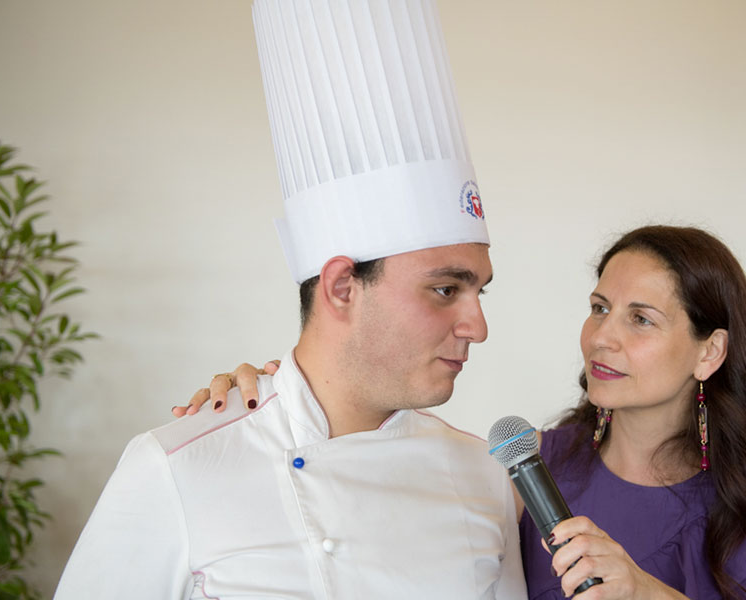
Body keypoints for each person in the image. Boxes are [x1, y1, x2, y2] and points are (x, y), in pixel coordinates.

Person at [55, 0, 527, 597]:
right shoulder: (179, 466)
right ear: (341, 288)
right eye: (444, 289)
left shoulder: (483, 474)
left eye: (478, 291)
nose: (477, 326)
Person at [189, 225, 746, 599]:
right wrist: (279, 395)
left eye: (642, 320)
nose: (603, 337)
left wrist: (647, 593)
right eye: (599, 308)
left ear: (709, 350)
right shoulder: (528, 472)